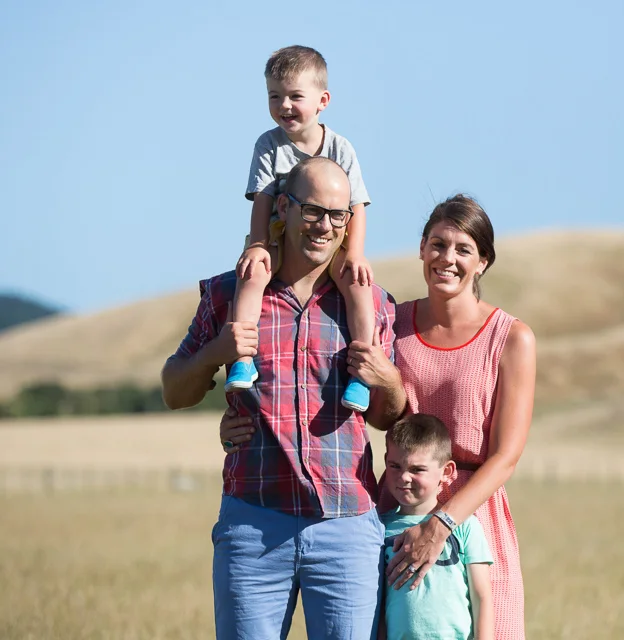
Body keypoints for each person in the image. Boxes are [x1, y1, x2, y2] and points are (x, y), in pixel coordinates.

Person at [222, 194, 537, 639]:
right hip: (395, 514)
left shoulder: (512, 338)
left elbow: (506, 456)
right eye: (437, 244)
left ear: (483, 262)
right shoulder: (392, 319)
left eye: (463, 249)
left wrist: (441, 524)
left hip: (473, 522)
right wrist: (237, 421)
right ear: (422, 248)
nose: (447, 259)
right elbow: (325, 390)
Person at [163, 157, 407, 640]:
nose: (325, 225)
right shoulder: (228, 294)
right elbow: (174, 390)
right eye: (313, 210)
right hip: (254, 525)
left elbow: (388, 417)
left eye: (338, 215)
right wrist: (218, 350)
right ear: (283, 208)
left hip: (347, 527)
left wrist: (392, 381)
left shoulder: (371, 302)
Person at [228, 45, 377, 414]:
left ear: (322, 100)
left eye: (296, 96)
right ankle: (243, 357)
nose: (285, 106)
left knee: (358, 285)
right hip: (280, 233)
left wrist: (355, 253)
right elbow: (262, 198)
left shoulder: (341, 148)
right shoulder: (268, 144)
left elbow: (357, 205)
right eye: (274, 96)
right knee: (253, 273)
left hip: (332, 236)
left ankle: (362, 371)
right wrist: (259, 244)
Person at [379, 413, 494, 640]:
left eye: (417, 469)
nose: (403, 477)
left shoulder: (466, 526)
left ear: (447, 472)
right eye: (395, 465)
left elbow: (482, 597)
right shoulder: (379, 528)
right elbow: (377, 603)